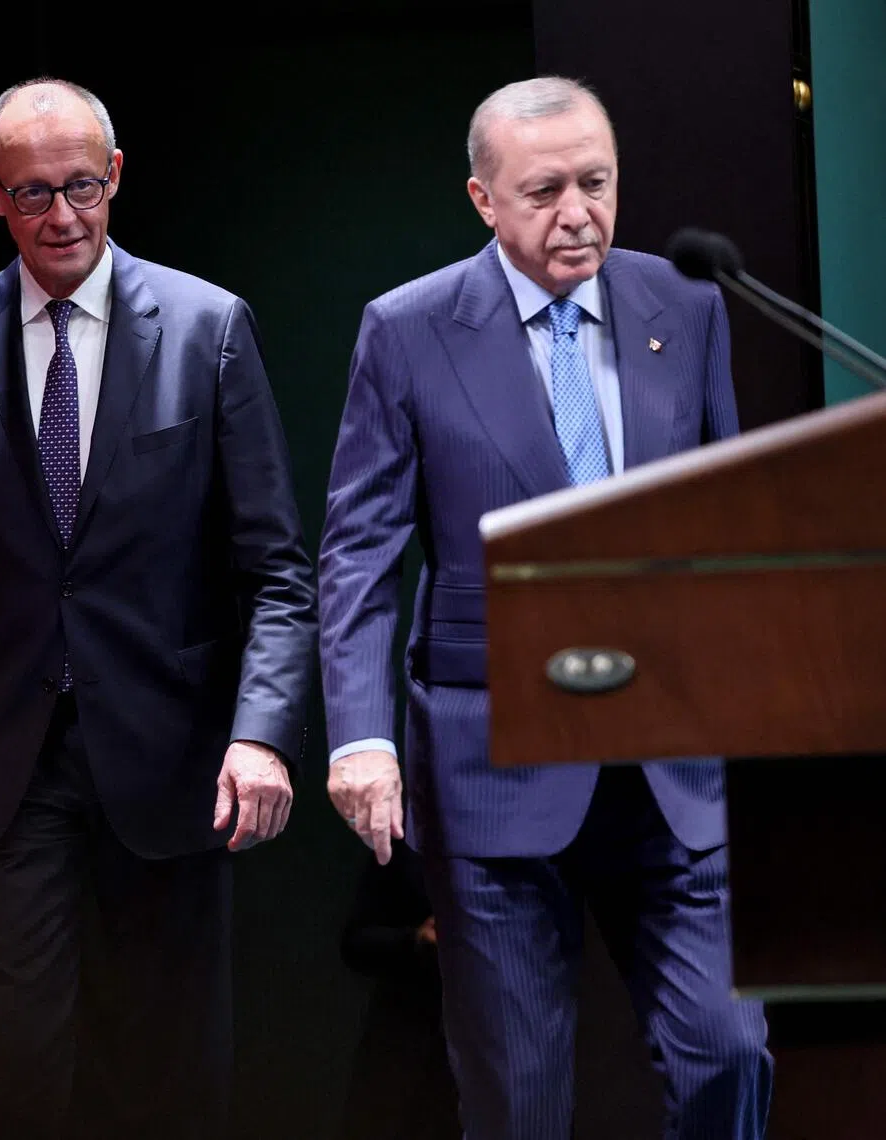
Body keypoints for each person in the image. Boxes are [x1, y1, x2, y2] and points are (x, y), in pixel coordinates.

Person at [317, 76, 772, 1139]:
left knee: (731, 1056)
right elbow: (358, 553)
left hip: (670, 767)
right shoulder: (410, 328)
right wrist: (362, 737)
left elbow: (724, 529)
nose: (579, 212)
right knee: (518, 1102)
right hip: (496, 767)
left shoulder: (687, 307)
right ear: (483, 198)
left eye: (597, 183)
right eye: (545, 190)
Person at [0, 77, 316, 1139]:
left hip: (171, 763)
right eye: (32, 195)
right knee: (22, 1080)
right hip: (2, 765)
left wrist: (262, 737)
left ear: (115, 176)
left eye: (80, 186)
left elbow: (277, 570)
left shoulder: (209, 329)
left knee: (167, 1078)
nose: (61, 217)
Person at [339, 837, 461, 1140]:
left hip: (486, 1041)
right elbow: (356, 942)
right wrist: (416, 941)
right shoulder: (405, 834)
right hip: (405, 1043)